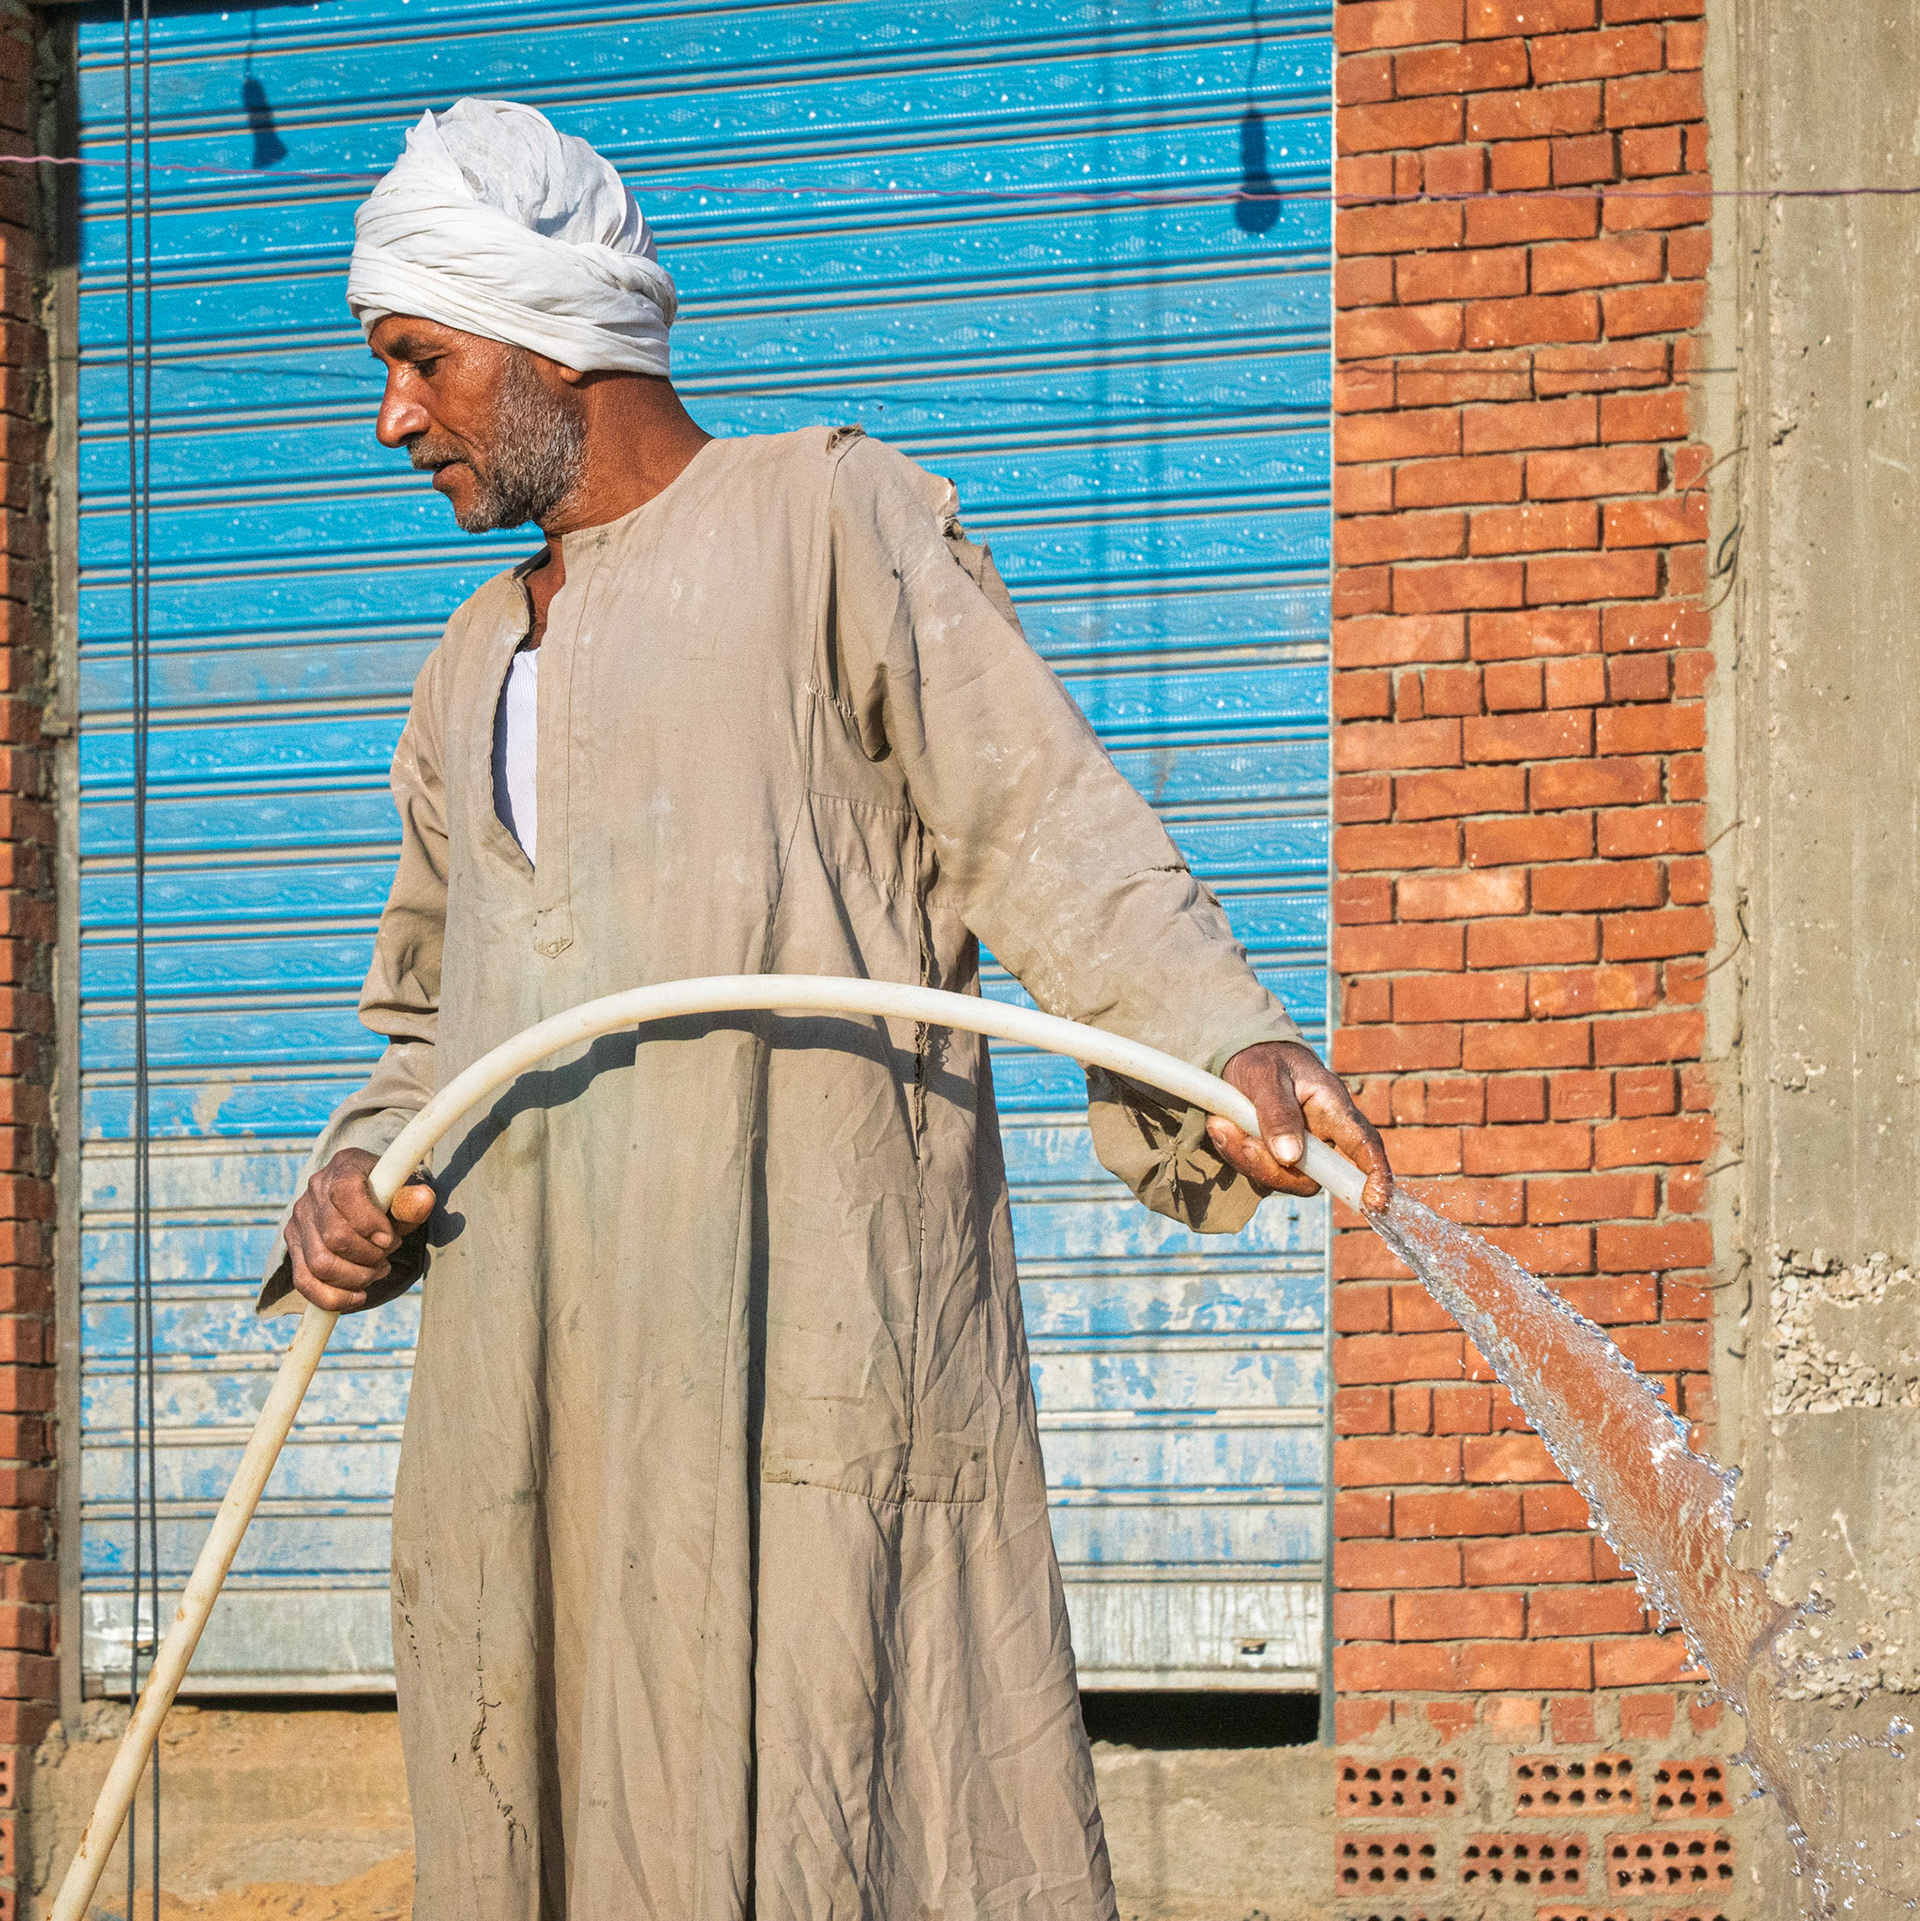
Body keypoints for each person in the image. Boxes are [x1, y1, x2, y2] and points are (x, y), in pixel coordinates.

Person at [262, 97, 1391, 1921]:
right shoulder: (465, 666)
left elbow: (1043, 823)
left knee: (850, 1814)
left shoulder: (829, 524)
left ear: (552, 339)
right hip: (532, 1410)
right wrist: (351, 1177)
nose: (392, 416)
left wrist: (1223, 1039)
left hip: (801, 1353)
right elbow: (427, 1026)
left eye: (420, 358)